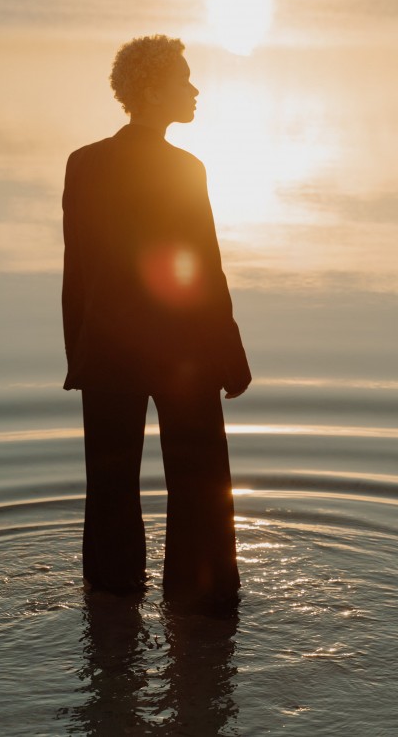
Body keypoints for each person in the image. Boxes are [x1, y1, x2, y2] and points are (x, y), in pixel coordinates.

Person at [61, 34, 251, 612]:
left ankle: (112, 598)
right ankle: (202, 598)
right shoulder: (184, 169)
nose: (195, 90)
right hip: (181, 353)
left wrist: (81, 356)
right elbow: (203, 273)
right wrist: (231, 355)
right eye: (184, 79)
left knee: (110, 488)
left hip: (108, 351)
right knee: (198, 484)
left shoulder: (84, 163)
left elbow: (78, 273)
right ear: (151, 88)